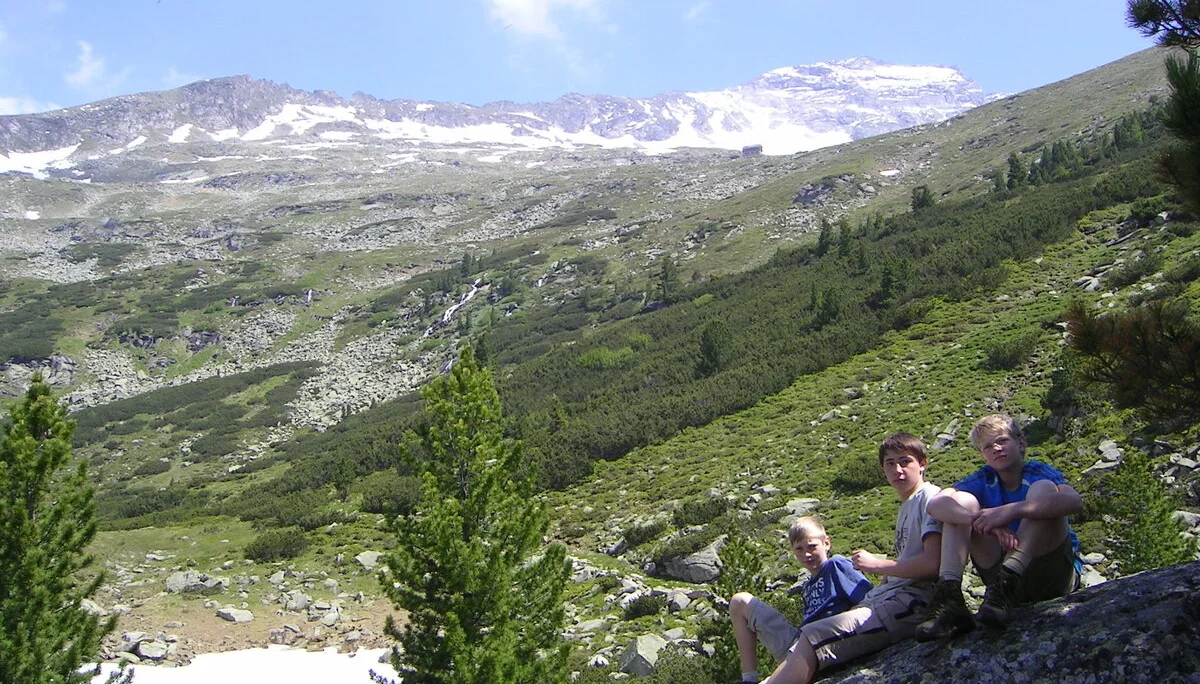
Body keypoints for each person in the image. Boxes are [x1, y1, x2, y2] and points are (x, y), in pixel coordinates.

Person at [729, 433, 942, 684]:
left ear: (922, 463)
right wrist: (888, 575)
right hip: (889, 600)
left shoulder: (929, 498)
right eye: (890, 463)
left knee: (812, 636)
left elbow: (933, 565)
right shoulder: (907, 505)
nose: (897, 470)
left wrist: (878, 565)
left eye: (905, 462)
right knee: (746, 605)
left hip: (908, 605)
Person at [915, 414, 1082, 642]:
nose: (996, 448)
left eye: (1002, 441)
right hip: (998, 589)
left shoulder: (1038, 472)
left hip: (1050, 574)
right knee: (961, 501)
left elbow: (1074, 502)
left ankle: (1010, 576)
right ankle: (949, 595)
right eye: (988, 447)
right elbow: (935, 505)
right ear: (982, 455)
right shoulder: (984, 479)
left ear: (1020, 443)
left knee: (1043, 490)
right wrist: (983, 521)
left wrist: (1013, 510)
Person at [729, 515, 872, 681]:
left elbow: (870, 603)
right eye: (799, 549)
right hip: (801, 643)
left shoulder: (837, 565)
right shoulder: (808, 586)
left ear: (826, 543)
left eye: (812, 546)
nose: (806, 554)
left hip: (826, 643)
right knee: (739, 602)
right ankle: (749, 679)